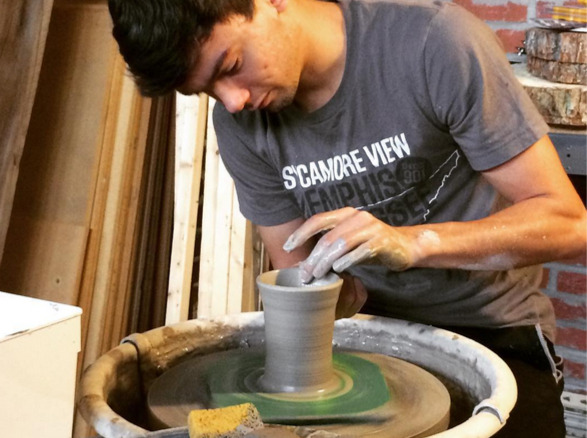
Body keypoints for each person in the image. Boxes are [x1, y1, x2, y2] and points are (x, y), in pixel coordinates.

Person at [108, 0, 586, 436]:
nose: (232, 101)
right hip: (361, 339)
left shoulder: (433, 43)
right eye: (207, 91)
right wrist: (326, 296)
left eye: (230, 66)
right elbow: (306, 281)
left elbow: (568, 223)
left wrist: (418, 242)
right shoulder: (240, 125)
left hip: (494, 330)